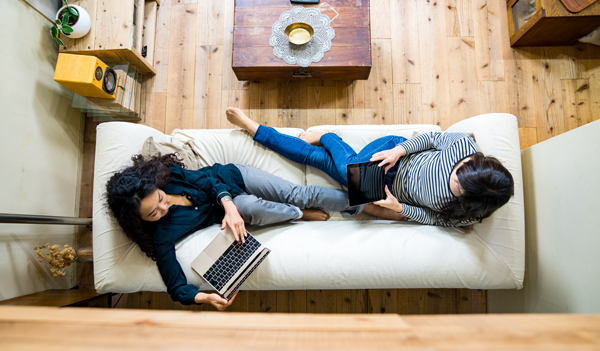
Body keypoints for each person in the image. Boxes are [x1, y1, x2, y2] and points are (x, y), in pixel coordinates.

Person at [106, 153, 360, 310]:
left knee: (299, 194)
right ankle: (298, 213)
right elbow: (176, 286)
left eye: (161, 198)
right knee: (247, 205)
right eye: (153, 213)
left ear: (158, 186)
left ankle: (367, 199)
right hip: (240, 206)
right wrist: (204, 299)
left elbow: (209, 181)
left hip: (233, 178)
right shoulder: (161, 236)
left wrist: (227, 204)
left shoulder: (169, 176)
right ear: (139, 220)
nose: (165, 206)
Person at [225, 107, 515, 227]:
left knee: (318, 159)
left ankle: (254, 128)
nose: (454, 177)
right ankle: (328, 136)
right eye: (459, 170)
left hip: (386, 191)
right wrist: (398, 150)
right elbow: (431, 138)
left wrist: (398, 208)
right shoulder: (464, 146)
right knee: (349, 166)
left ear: (469, 200)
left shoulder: (467, 215)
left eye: (457, 187)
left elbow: (434, 218)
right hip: (394, 154)